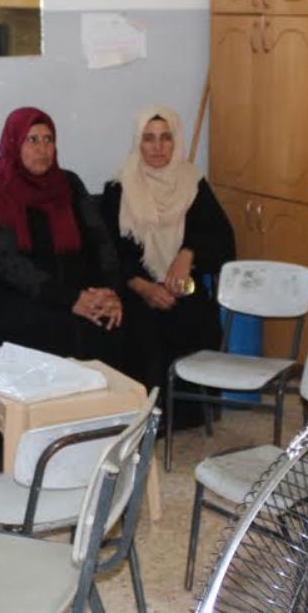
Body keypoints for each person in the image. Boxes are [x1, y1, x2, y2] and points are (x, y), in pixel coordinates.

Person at [101, 105, 235, 426]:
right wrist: (144, 287)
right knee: (143, 328)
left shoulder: (192, 182)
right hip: (135, 288)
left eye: (166, 138)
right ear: (138, 142)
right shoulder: (119, 188)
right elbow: (109, 253)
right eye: (149, 138)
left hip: (182, 286)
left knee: (199, 319)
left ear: (176, 141)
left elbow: (222, 239)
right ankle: (147, 422)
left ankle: (191, 418)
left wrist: (188, 254)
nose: (158, 147)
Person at [0, 106, 125, 364]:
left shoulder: (69, 183)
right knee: (50, 326)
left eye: (48, 139)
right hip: (19, 295)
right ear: (14, 144)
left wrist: (108, 291)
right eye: (32, 140)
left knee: (114, 319)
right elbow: (7, 263)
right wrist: (69, 299)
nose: (42, 148)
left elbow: (99, 240)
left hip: (75, 290)